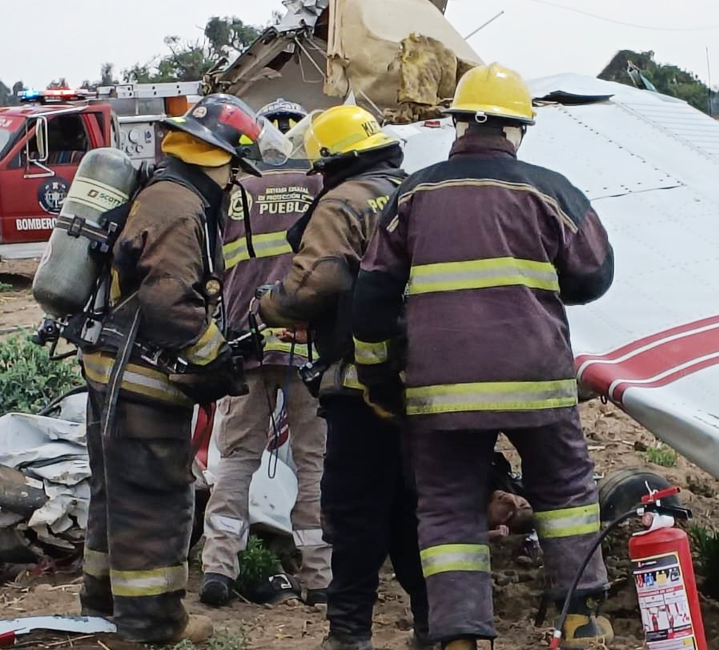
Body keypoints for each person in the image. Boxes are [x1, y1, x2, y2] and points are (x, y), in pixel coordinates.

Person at [351, 62, 616, 650]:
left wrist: (378, 375)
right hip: (536, 381)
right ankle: (581, 620)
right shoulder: (550, 190)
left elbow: (370, 297)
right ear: (517, 129)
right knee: (565, 490)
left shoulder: (413, 193)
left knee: (448, 509)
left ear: (458, 124)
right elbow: (596, 275)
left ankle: (460, 638)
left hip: (440, 389)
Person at [79, 94, 277, 645]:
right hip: (142, 378)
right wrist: (216, 355)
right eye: (236, 170)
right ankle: (153, 624)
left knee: (115, 496)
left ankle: (102, 607)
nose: (235, 182)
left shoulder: (164, 191)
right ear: (222, 160)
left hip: (114, 368)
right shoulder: (180, 207)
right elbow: (168, 302)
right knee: (155, 501)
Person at [257, 105, 430, 650]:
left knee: (353, 513)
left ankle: (348, 634)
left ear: (330, 160)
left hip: (362, 388)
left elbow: (316, 283)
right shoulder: (414, 190)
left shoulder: (343, 201)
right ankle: (435, 627)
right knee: (412, 511)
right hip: (428, 382)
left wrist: (270, 305)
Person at [199, 98, 332, 607]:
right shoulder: (319, 186)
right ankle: (319, 576)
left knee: (236, 460)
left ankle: (218, 568)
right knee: (314, 462)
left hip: (244, 343)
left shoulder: (235, 190)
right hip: (305, 345)